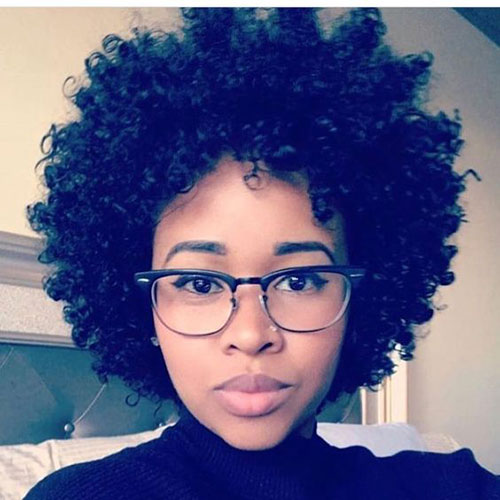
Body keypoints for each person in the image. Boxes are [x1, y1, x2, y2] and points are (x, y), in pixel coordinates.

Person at [24, 7, 498, 499]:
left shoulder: (452, 487)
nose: (251, 335)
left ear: (360, 300)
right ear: (143, 309)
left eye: (299, 280)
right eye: (199, 283)